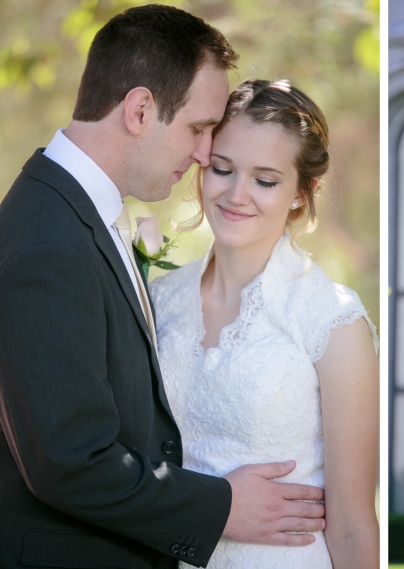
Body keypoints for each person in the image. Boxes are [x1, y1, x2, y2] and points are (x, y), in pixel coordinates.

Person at [0, 7, 325, 568]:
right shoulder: (48, 240)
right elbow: (70, 459)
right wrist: (221, 507)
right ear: (140, 109)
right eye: (198, 129)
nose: (204, 154)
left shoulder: (74, 215)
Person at [149, 78, 380, 568]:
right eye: (222, 169)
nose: (236, 195)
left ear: (303, 191)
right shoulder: (157, 299)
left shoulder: (334, 321)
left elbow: (355, 527)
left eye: (266, 180)